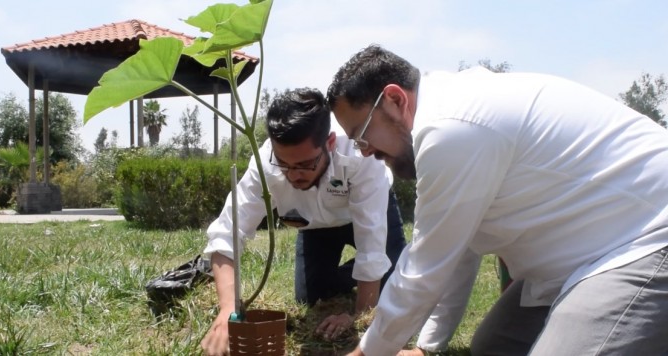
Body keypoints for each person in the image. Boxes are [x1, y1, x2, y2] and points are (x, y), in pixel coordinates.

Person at [327, 44, 668, 356]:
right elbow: (455, 251)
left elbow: (423, 270)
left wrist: (366, 353)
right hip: (584, 256)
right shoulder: (450, 117)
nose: (365, 151)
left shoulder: (450, 128)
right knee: (496, 347)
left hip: (646, 238)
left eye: (362, 134)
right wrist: (426, 347)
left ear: (395, 100)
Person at [200, 87, 412, 356]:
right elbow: (226, 234)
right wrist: (227, 309)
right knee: (310, 297)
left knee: (393, 286)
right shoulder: (265, 165)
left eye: (305, 164)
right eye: (284, 164)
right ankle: (358, 273)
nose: (294, 175)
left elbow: (371, 244)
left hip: (369, 215)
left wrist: (359, 316)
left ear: (330, 144)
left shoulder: (360, 155)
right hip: (315, 228)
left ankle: (389, 265)